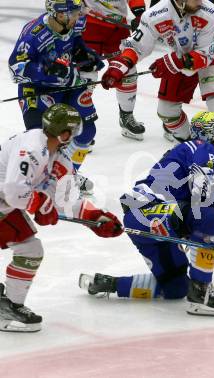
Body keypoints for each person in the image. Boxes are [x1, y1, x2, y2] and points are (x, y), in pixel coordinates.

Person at [79, 111, 214, 316]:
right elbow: (201, 196)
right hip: (152, 211)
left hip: (138, 218)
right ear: (212, 135)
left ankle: (110, 284)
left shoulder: (182, 150)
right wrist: (199, 232)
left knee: (176, 288)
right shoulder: (204, 148)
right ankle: (202, 292)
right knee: (208, 216)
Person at [0, 104, 123, 332]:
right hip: (5, 202)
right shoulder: (31, 148)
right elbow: (15, 191)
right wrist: (39, 203)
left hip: (5, 207)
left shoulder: (59, 156)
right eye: (74, 131)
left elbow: (62, 200)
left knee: (30, 250)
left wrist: (94, 217)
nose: (76, 136)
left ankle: (10, 306)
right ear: (64, 133)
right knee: (30, 249)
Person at [100, 0, 214, 146]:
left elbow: (205, 55)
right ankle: (188, 147)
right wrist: (120, 66)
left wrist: (170, 63)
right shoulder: (155, 15)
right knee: (166, 112)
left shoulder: (211, 12)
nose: (201, 1)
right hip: (181, 54)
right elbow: (136, 46)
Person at [8, 0, 104, 194]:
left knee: (86, 131)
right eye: (75, 12)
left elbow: (75, 43)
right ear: (60, 14)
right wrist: (45, 70)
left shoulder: (74, 23)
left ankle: (67, 176)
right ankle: (39, 181)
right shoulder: (33, 35)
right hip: (37, 90)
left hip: (67, 84)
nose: (80, 16)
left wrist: (86, 56)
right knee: (43, 140)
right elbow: (15, 70)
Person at [81, 0, 146, 140]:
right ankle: (80, 123)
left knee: (127, 69)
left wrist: (140, 14)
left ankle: (126, 116)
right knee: (86, 72)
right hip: (90, 23)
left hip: (117, 26)